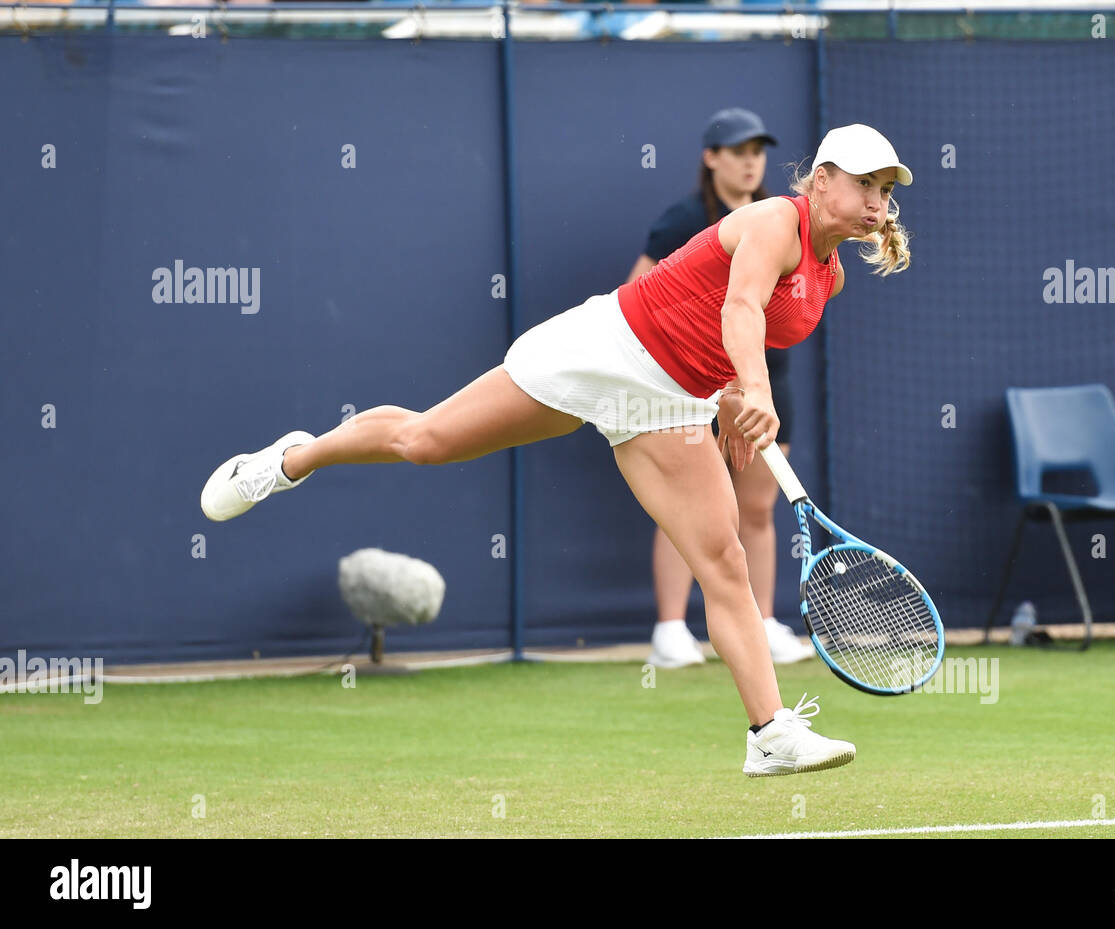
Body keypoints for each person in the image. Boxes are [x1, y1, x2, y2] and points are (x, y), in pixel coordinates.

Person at [200, 123, 912, 777]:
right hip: (606, 348)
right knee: (425, 440)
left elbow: (718, 326)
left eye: (884, 190)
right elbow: (740, 306)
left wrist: (727, 390)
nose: (876, 202)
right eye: (864, 184)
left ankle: (769, 733)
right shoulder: (772, 221)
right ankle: (292, 460)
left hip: (669, 403)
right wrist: (754, 388)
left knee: (724, 562)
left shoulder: (830, 276)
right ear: (820, 180)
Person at [627, 107, 813, 669]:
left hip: (763, 386)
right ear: (711, 159)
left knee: (755, 509)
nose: (750, 163)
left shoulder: (781, 222)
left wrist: (750, 383)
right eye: (737, 152)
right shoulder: (683, 220)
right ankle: (669, 631)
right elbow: (639, 291)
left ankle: (763, 623)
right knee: (685, 509)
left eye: (757, 152)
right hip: (689, 384)